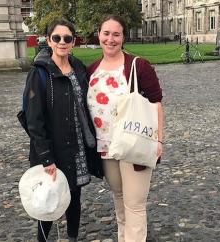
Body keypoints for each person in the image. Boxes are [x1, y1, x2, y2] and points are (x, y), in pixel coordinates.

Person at [22, 18, 103, 242]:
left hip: (76, 145)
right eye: (56, 38)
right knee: (48, 200)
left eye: (67, 38)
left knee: (73, 197)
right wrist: (46, 157)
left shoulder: (78, 68)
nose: (62, 42)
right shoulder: (39, 73)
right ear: (48, 40)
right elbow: (34, 120)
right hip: (52, 149)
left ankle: (72, 238)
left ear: (73, 42)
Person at [87, 14, 163, 242]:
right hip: (106, 147)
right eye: (106, 33)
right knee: (119, 200)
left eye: (116, 34)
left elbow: (156, 102)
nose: (110, 39)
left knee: (135, 206)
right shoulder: (91, 71)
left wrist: (159, 140)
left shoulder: (138, 66)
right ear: (99, 35)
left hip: (135, 143)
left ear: (123, 37)